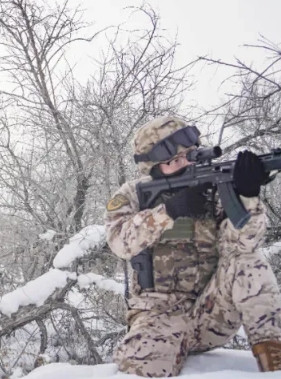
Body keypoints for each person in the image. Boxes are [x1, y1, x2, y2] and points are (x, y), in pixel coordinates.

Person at [105, 116, 281, 376]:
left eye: (190, 154)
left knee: (249, 263)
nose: (185, 163)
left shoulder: (215, 186)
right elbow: (119, 241)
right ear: (153, 168)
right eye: (173, 161)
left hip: (211, 313)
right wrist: (169, 211)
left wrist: (247, 196)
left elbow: (242, 245)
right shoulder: (132, 194)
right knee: (140, 364)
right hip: (158, 315)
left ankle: (275, 366)